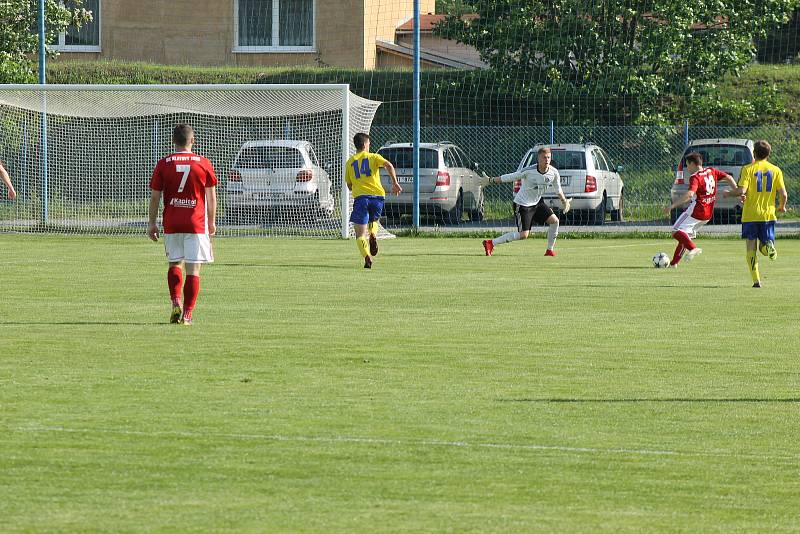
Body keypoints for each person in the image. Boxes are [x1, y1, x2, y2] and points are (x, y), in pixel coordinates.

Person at [148, 124, 218, 324]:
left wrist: (152, 223)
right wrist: (211, 222)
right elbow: (211, 197)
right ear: (192, 141)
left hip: (172, 222)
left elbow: (155, 198)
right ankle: (187, 314)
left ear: (173, 141)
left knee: (174, 263)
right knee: (193, 269)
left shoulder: (164, 163)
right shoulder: (203, 163)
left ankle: (175, 302)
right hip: (196, 223)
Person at [481, 146, 570, 257]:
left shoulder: (554, 173)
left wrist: (564, 201)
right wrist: (491, 180)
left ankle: (549, 250)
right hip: (522, 204)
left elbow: (558, 189)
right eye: (544, 157)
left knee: (555, 221)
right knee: (524, 235)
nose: (547, 160)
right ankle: (490, 243)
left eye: (548, 157)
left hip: (537, 203)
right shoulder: (529, 171)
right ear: (538, 159)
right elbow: (511, 177)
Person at [723, 140, 787, 288]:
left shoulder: (747, 169)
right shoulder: (776, 170)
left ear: (754, 153)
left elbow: (741, 191)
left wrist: (729, 193)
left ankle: (756, 280)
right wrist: (782, 207)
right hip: (768, 215)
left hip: (750, 215)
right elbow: (783, 194)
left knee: (751, 248)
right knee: (763, 248)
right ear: (769, 154)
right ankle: (768, 247)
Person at [663, 152, 736, 267]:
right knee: (684, 237)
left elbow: (690, 194)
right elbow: (729, 178)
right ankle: (673, 263)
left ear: (693, 163)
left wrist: (672, 206)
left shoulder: (695, 177)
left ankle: (693, 248)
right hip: (707, 214)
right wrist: (736, 192)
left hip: (696, 211)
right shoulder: (712, 171)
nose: (687, 168)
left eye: (687, 165)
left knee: (676, 230)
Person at [344, 132, 402, 269]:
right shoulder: (374, 157)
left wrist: (358, 185)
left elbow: (349, 185)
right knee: (373, 221)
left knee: (359, 234)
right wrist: (395, 182)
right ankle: (374, 235)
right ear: (364, 145)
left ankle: (367, 257)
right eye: (369, 144)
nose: (370, 146)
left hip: (361, 198)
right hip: (378, 197)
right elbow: (389, 165)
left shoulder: (350, 162)